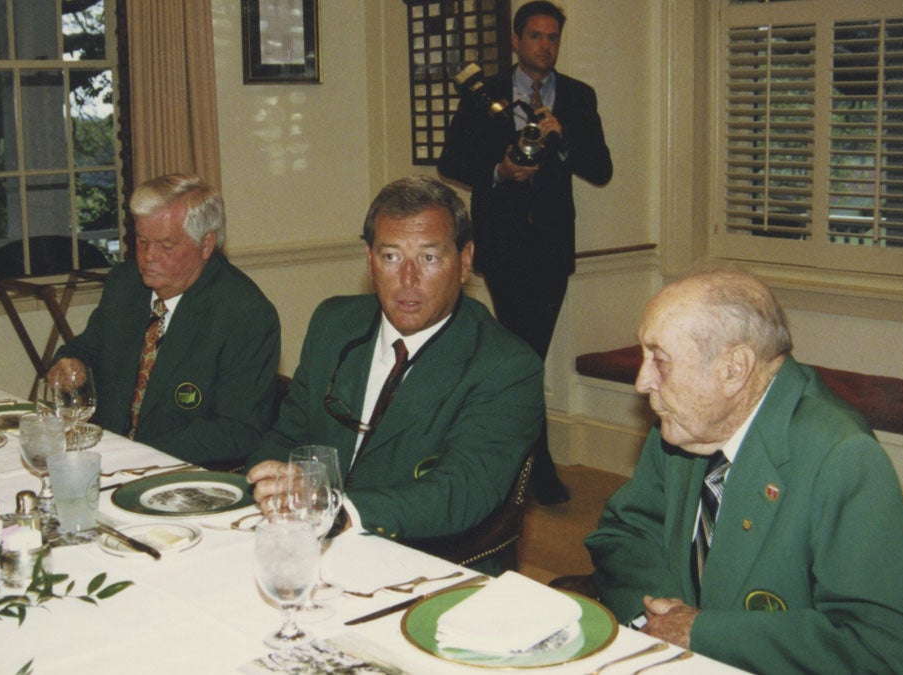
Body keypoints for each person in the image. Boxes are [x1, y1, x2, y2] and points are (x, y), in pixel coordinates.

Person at [584, 268, 903, 673]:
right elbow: (627, 532)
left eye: (660, 359)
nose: (642, 381)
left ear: (734, 369)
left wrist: (704, 633)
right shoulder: (685, 425)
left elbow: (902, 654)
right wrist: (657, 618)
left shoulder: (842, 455)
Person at [246, 176, 543, 560]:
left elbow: (462, 492)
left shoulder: (506, 365)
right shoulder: (334, 324)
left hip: (431, 560)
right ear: (369, 261)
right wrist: (269, 483)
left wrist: (340, 511)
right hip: (308, 538)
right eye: (391, 256)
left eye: (429, 258)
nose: (408, 279)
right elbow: (287, 438)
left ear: (465, 262)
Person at [437, 0, 612, 504]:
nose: (545, 46)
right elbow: (451, 161)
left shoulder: (577, 96)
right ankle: (536, 466)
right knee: (522, 353)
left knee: (526, 354)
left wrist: (563, 138)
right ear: (516, 40)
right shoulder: (484, 94)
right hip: (503, 242)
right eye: (535, 36)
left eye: (553, 37)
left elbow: (601, 169)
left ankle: (518, 461)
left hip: (552, 245)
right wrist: (499, 172)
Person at [50, 174, 280, 467]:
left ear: (206, 244)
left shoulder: (244, 313)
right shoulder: (125, 284)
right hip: (110, 459)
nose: (148, 257)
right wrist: (70, 363)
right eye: (142, 241)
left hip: (185, 471)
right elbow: (88, 349)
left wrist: (134, 454)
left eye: (166, 245)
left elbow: (238, 431)